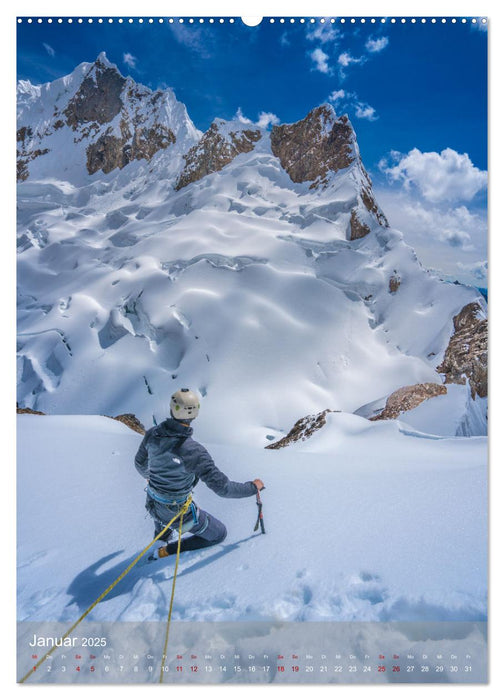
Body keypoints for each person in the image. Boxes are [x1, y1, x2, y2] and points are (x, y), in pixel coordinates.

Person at [134, 388, 264, 559]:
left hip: (153, 502)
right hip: (177, 510)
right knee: (219, 534)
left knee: (164, 512)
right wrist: (253, 488)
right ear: (195, 413)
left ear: (172, 408)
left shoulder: (152, 434)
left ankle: (162, 538)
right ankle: (165, 552)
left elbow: (140, 464)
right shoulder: (193, 451)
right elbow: (223, 488)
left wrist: (154, 478)